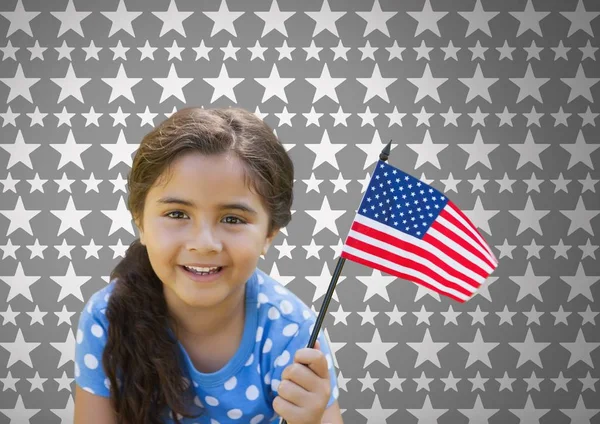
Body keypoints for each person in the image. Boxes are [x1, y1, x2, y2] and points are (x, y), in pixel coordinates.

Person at [73, 107, 342, 424]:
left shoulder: (293, 334)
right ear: (140, 222)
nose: (203, 243)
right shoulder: (106, 317)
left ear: (269, 234)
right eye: (177, 214)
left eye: (232, 219)